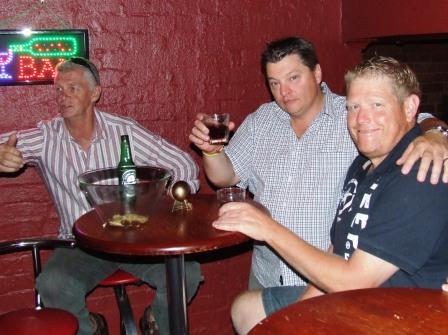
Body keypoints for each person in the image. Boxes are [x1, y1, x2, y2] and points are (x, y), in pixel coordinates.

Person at [189, 36, 448, 292]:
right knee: (247, 314)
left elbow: (413, 118)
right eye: (274, 83)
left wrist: (438, 135)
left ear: (317, 73)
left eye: (293, 78)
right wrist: (211, 152)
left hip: (329, 280)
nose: (284, 92)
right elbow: (226, 176)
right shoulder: (261, 121)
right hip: (268, 274)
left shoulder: (354, 116)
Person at [0, 57, 202, 335]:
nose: (63, 96)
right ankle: (90, 328)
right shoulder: (46, 137)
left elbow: (183, 164)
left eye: (73, 88)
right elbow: (5, 145)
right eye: (59, 89)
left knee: (187, 274)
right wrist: (1, 156)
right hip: (78, 245)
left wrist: (171, 195)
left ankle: (156, 320)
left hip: (133, 238)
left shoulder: (124, 131)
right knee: (52, 285)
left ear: (95, 93)